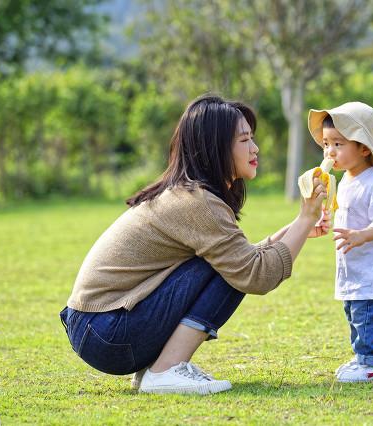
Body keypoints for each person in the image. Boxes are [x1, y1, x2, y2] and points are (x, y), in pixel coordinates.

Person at [59, 95, 330, 395]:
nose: (255, 148)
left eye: (252, 138)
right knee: (230, 270)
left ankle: (156, 370)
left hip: (98, 328)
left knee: (229, 265)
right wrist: (305, 218)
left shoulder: (188, 194)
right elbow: (255, 274)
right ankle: (165, 371)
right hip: (106, 331)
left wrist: (299, 228)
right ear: (215, 147)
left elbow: (243, 259)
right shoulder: (198, 203)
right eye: (244, 140)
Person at [308, 102, 373, 382]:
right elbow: (343, 212)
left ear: (364, 147)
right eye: (326, 144)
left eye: (338, 144)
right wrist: (325, 220)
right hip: (354, 270)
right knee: (355, 316)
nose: (330, 152)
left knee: (371, 317)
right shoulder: (345, 182)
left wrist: (360, 235)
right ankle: (361, 358)